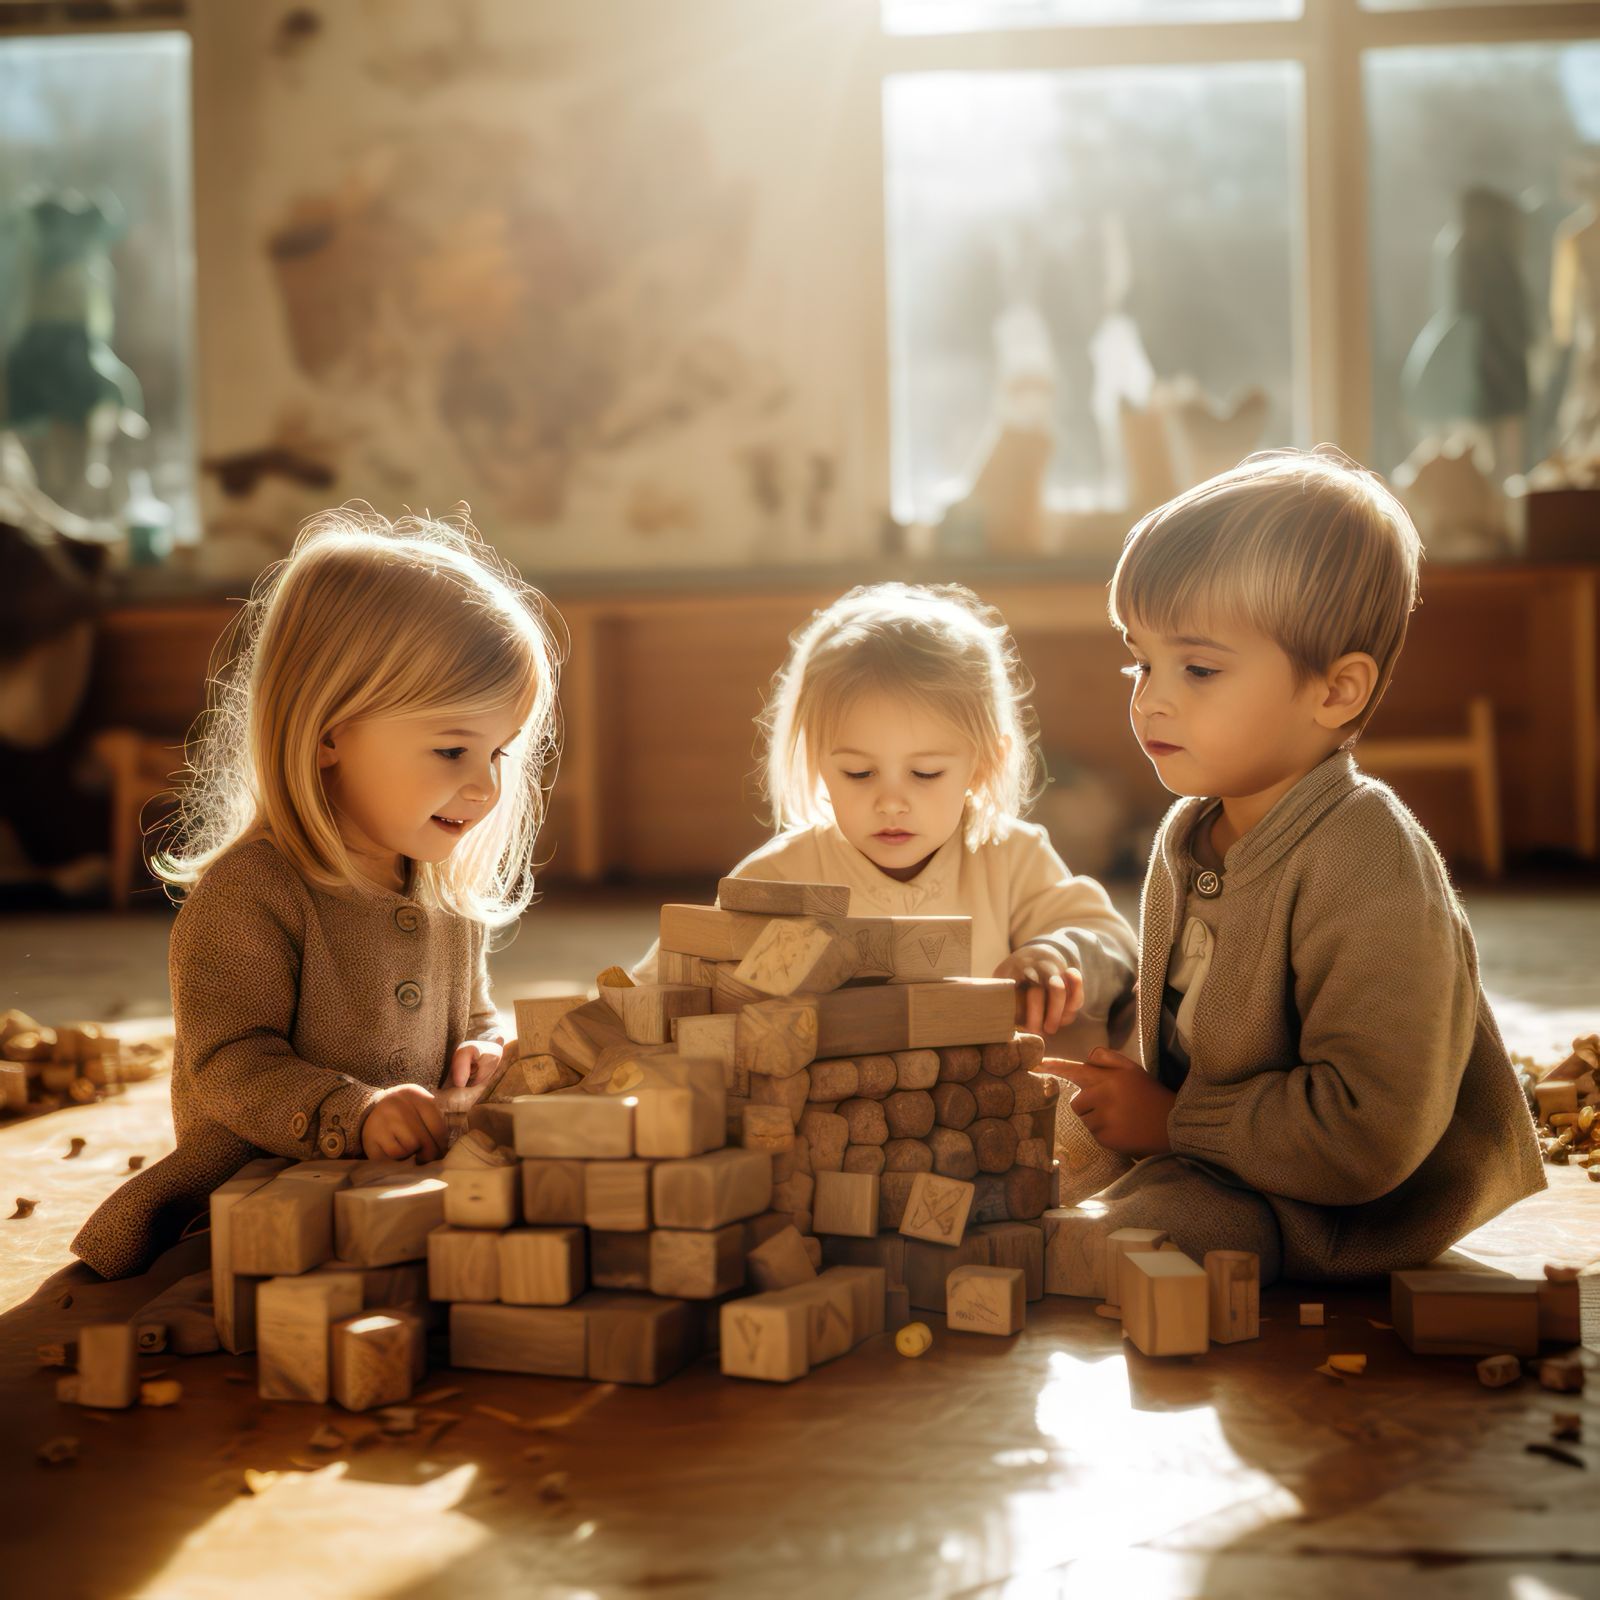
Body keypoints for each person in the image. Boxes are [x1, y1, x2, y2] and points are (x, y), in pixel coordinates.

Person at [1047, 448, 1543, 1283]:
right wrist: (1126, 1084)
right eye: (1141, 661)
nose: (1151, 698)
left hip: (1329, 1204)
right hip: (1213, 1144)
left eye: (1198, 668)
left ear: (1336, 691)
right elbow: (1185, 1024)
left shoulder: (1368, 857)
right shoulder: (1186, 833)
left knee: (1119, 1241)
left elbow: (1369, 1131)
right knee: (1040, 1156)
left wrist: (1174, 1125)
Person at [72, 508, 562, 1278]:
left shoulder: (440, 891)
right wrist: (353, 1115)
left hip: (397, 1195)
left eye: (500, 750)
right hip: (255, 1203)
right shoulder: (250, 897)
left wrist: (486, 1049)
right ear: (328, 733)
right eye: (452, 748)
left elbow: (471, 1014)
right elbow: (229, 1065)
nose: (488, 784)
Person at [637, 582, 1136, 1048]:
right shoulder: (780, 878)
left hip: (982, 1106)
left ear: (984, 764)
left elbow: (1118, 949)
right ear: (816, 764)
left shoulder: (1012, 857)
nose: (891, 802)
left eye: (924, 773)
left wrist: (1058, 953)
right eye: (858, 773)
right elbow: (663, 984)